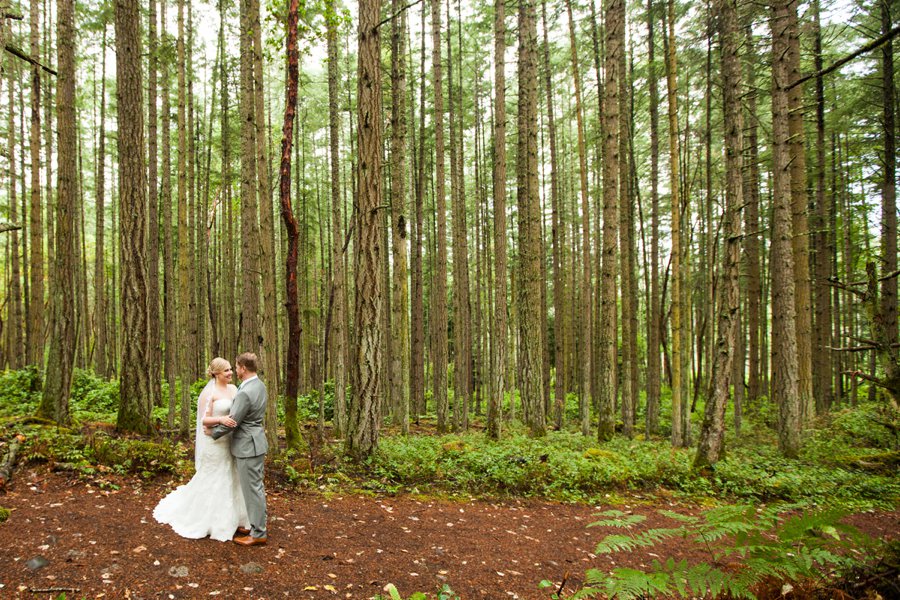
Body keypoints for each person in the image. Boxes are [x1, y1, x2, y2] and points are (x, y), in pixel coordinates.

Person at [153, 358, 250, 542]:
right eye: (226, 371)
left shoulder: (234, 389)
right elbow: (203, 421)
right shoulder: (209, 393)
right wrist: (220, 420)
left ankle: (237, 518)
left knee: (233, 476)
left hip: (231, 440)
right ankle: (213, 520)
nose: (230, 373)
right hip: (215, 443)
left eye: (231, 369)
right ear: (216, 374)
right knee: (216, 477)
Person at [210, 352, 269, 546]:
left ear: (243, 368)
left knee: (253, 489)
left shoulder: (244, 392)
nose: (235, 370)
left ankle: (259, 532)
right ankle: (255, 525)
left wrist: (212, 433)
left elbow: (233, 421)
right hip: (256, 441)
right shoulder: (260, 385)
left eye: (236, 367)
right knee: (255, 487)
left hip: (247, 445)